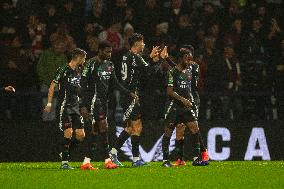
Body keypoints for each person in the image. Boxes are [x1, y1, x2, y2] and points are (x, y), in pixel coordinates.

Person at [80, 42, 136, 169]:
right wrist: (83, 105)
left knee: (95, 131)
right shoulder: (91, 63)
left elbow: (115, 83)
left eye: (110, 52)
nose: (109, 54)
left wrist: (129, 93)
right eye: (107, 51)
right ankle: (107, 161)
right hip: (93, 101)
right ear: (99, 51)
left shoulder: (110, 65)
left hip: (103, 101)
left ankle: (86, 162)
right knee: (104, 129)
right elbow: (82, 84)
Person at [109, 33, 160, 167]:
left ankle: (113, 153)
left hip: (127, 94)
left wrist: (151, 59)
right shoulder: (135, 57)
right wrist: (156, 59)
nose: (144, 45)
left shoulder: (127, 56)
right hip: (130, 95)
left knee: (130, 128)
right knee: (137, 127)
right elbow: (149, 71)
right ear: (137, 44)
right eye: (142, 43)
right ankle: (136, 159)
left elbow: (142, 67)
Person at [163, 45, 209, 167]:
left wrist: (188, 100)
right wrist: (166, 59)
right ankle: (174, 159)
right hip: (178, 103)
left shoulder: (193, 67)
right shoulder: (175, 70)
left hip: (191, 100)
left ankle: (201, 155)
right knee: (177, 129)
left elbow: (181, 72)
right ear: (182, 58)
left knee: (194, 127)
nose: (190, 61)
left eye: (190, 58)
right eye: (187, 58)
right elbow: (175, 73)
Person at [44, 48, 87, 169]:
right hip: (65, 106)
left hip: (76, 107)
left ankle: (64, 153)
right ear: (78, 57)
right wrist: (49, 103)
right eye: (84, 58)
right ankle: (64, 163)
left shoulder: (80, 70)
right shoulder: (63, 69)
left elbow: (79, 89)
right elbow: (53, 85)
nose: (84, 60)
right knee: (68, 131)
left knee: (81, 135)